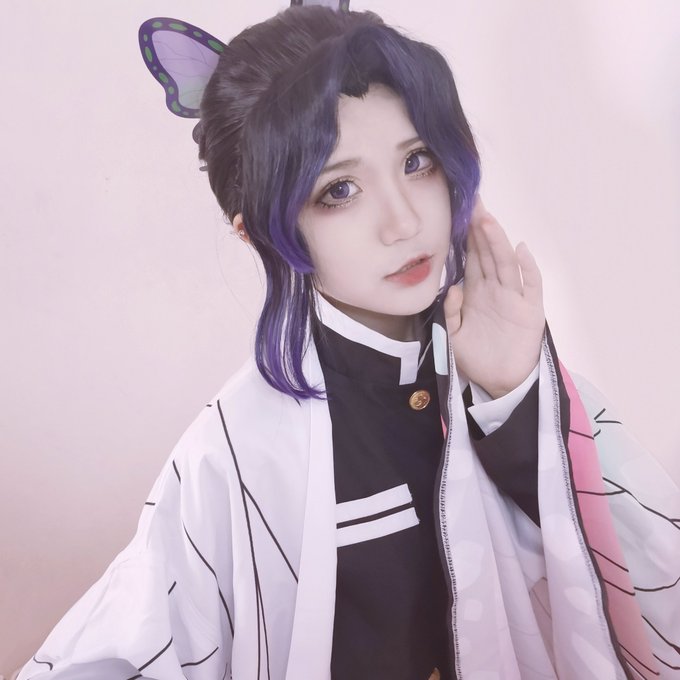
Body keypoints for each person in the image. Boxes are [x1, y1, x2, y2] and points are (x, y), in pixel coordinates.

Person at [17, 4, 680, 680]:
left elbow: (655, 581)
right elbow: (127, 647)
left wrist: (517, 395)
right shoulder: (238, 450)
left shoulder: (510, 367)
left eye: (417, 161)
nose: (403, 220)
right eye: (340, 190)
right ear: (261, 231)